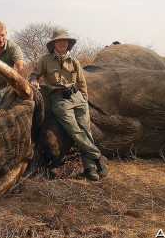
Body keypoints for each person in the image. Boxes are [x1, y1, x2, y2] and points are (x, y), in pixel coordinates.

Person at [29, 29, 108, 181]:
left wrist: (84, 98)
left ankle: (89, 168)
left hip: (78, 98)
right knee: (75, 132)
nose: (62, 43)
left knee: (86, 131)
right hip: (60, 100)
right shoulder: (45, 60)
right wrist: (33, 80)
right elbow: (34, 74)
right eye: (59, 41)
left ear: (68, 44)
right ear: (54, 44)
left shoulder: (75, 61)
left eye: (65, 41)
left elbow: (81, 82)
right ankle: (97, 157)